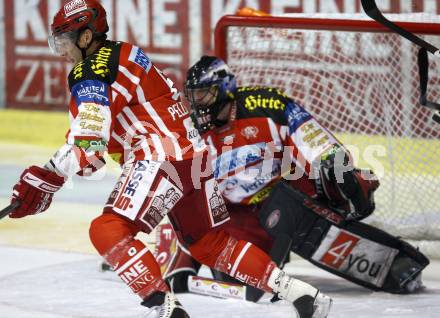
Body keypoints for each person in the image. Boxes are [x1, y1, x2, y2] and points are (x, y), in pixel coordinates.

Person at [7, 2, 332, 318]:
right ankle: (300, 294)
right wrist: (59, 170)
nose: (60, 50)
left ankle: (163, 307)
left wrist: (45, 177)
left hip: (159, 158)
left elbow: (89, 147)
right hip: (196, 158)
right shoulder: (127, 52)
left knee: (107, 229)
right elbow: (93, 137)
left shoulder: (89, 72)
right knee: (209, 243)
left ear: (87, 37)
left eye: (64, 41)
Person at [164, 55, 429, 297]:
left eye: (204, 96)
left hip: (289, 189)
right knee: (236, 277)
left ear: (224, 90)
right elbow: (184, 198)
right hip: (242, 213)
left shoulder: (265, 104)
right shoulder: (190, 133)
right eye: (193, 97)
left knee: (334, 171)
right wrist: (184, 258)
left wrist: (341, 172)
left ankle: (366, 235)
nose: (197, 105)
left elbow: (317, 139)